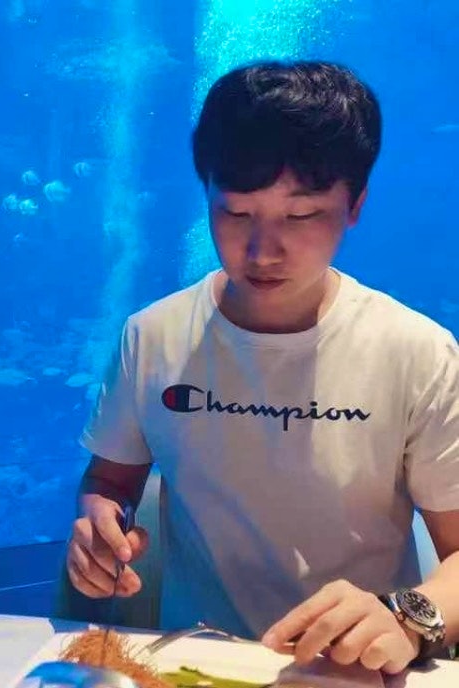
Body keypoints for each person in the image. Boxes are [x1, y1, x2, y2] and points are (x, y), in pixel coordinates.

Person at [64, 60, 459, 675]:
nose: (262, 251)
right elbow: (110, 481)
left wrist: (408, 618)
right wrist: (98, 524)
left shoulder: (416, 352)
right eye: (235, 213)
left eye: (300, 216)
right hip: (194, 661)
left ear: (355, 205)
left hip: (354, 668)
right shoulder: (152, 336)